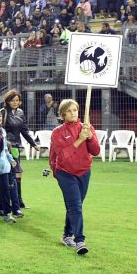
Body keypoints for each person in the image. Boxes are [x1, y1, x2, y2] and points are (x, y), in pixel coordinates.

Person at [49, 99, 98, 255]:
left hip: (84, 171)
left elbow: (96, 151)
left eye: (75, 110)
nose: (73, 113)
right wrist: (80, 139)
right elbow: (63, 156)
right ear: (63, 114)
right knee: (75, 206)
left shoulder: (87, 128)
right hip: (65, 172)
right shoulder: (57, 132)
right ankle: (80, 241)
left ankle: (67, 235)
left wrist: (90, 137)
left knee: (75, 205)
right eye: (69, 111)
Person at [2, 90, 38, 209]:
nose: (15, 102)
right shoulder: (3, 112)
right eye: (12, 100)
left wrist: (33, 144)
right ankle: (11, 202)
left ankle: (18, 201)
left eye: (17, 100)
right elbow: (0, 130)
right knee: (10, 174)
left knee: (16, 173)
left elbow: (24, 130)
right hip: (7, 147)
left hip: (16, 146)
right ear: (7, 101)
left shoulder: (20, 112)